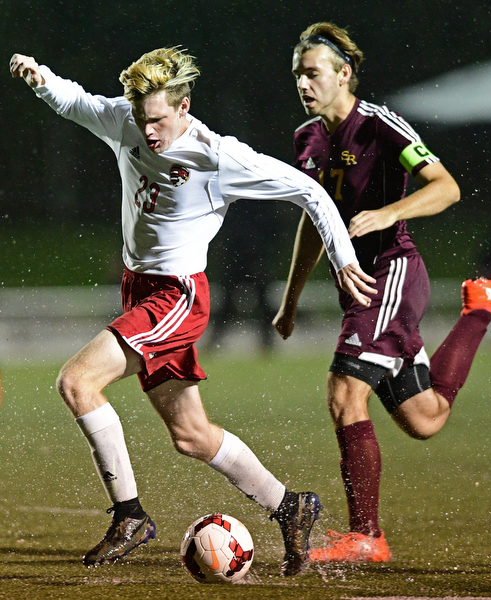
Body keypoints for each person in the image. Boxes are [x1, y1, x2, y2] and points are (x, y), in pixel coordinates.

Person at [9, 47, 376, 576]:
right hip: (140, 291)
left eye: (158, 118)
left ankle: (129, 516)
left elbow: (312, 193)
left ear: (184, 106)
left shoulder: (219, 156)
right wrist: (41, 79)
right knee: (192, 436)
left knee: (77, 382)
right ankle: (290, 506)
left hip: (177, 298)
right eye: (142, 119)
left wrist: (342, 260)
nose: (148, 131)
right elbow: (78, 103)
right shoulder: (126, 120)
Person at [272, 22, 491, 564]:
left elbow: (446, 186)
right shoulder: (305, 141)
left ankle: (366, 537)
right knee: (425, 418)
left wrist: (389, 211)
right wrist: (289, 300)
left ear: (344, 74)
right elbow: (314, 220)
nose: (304, 84)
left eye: (313, 73)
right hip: (360, 290)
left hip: (393, 273)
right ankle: (483, 308)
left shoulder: (379, 126)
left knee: (344, 392)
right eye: (297, 75)